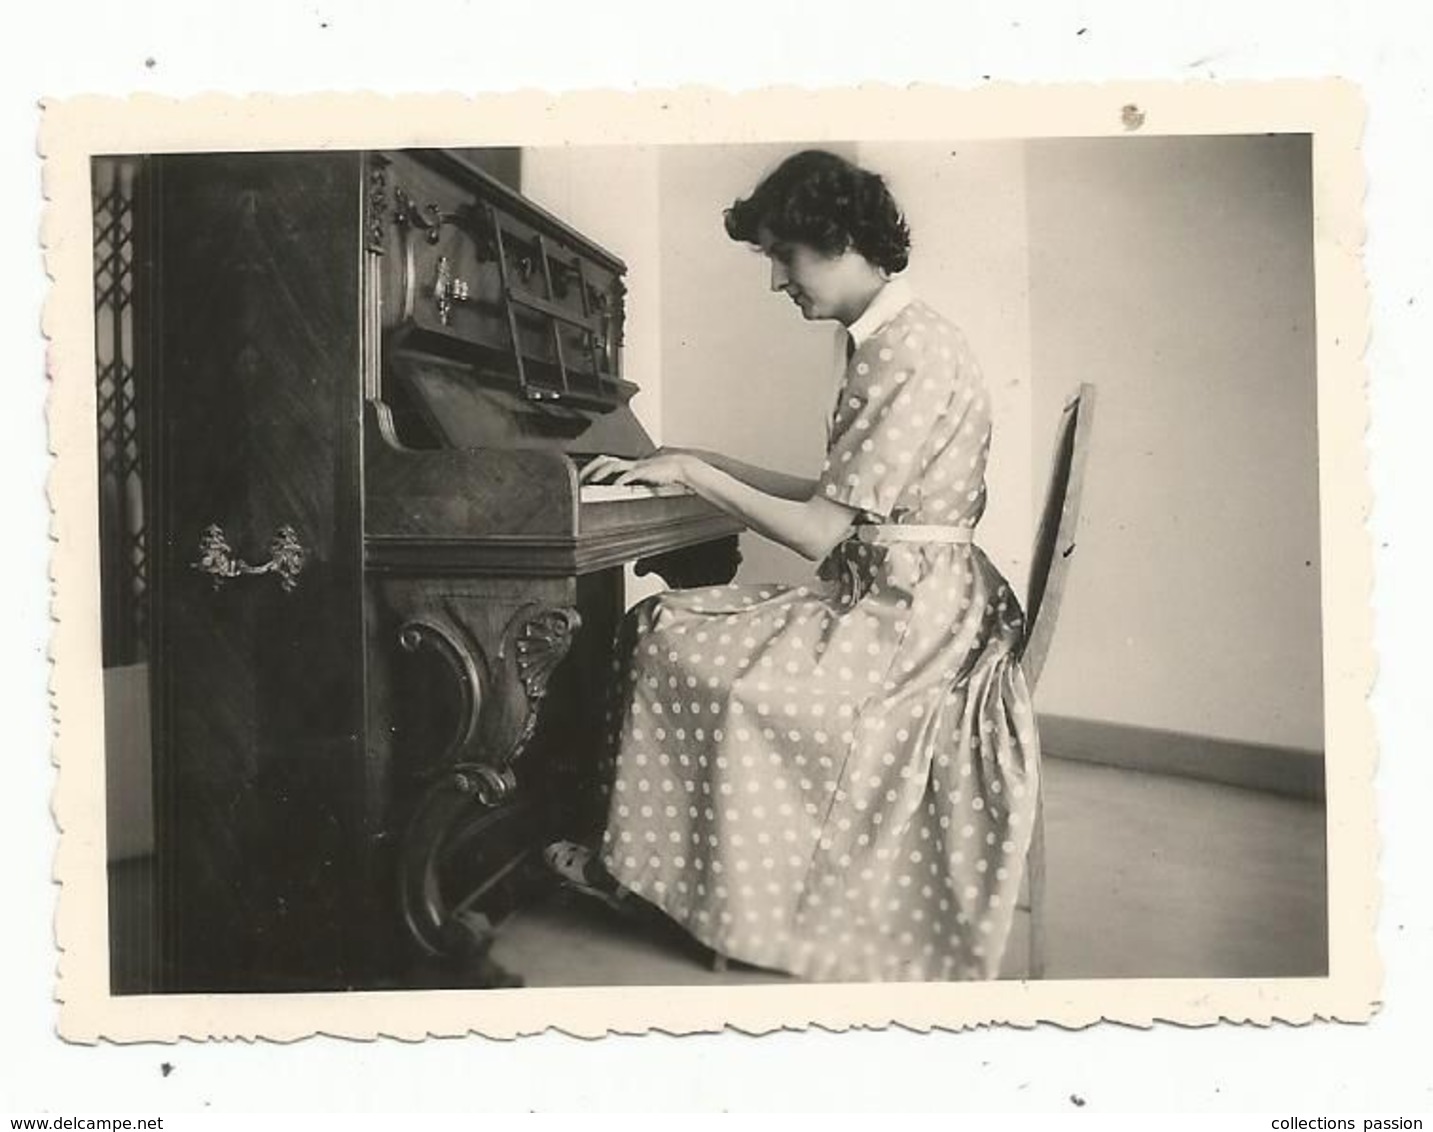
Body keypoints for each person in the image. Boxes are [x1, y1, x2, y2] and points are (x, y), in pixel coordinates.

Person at [545, 149, 1041, 982]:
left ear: (840, 239)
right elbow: (843, 495)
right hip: (917, 602)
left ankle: (664, 882)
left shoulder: (900, 352)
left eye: (784, 254)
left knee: (666, 631)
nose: (778, 280)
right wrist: (692, 456)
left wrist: (699, 478)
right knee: (675, 623)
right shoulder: (902, 336)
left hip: (904, 629)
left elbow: (816, 532)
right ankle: (668, 872)